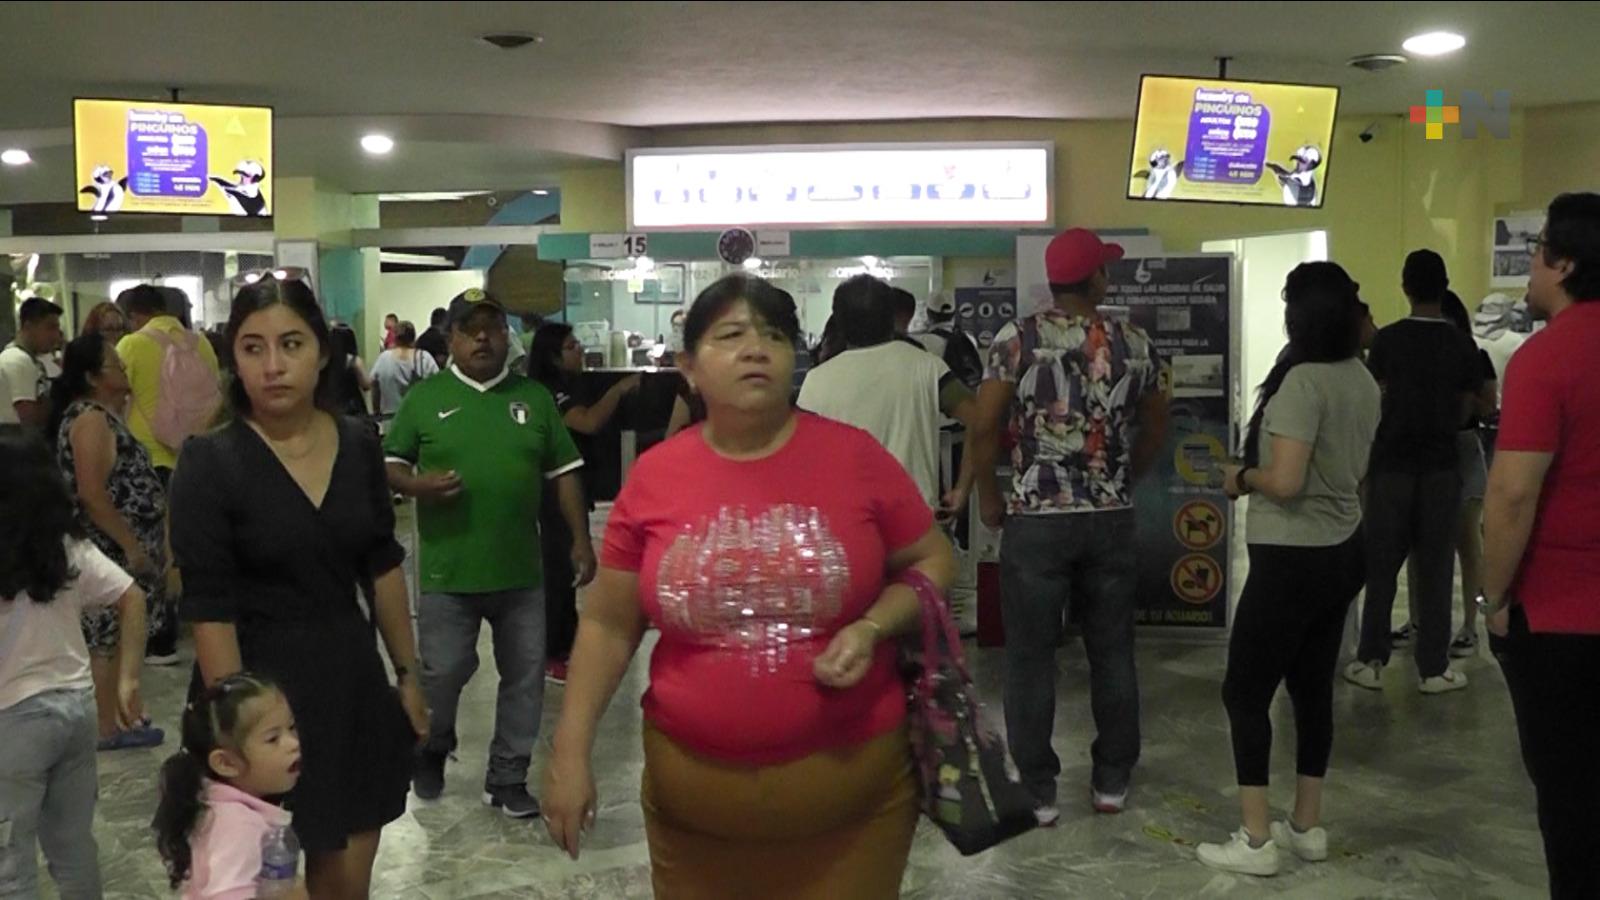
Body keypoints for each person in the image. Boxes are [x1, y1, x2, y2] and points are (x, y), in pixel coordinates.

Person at [541, 273, 956, 897]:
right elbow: (607, 624)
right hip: (694, 816)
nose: (756, 349)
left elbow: (933, 560)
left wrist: (873, 627)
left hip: (854, 811)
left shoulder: (854, 457)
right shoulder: (657, 476)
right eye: (731, 335)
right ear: (688, 367)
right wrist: (571, 753)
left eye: (774, 336)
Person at [169, 277, 426, 898]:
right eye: (253, 348)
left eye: (291, 344)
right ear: (234, 359)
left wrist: (408, 675)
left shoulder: (358, 444)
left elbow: (382, 565)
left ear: (322, 352)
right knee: (267, 883)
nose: (273, 366)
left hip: (350, 680)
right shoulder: (210, 461)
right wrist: (241, 731)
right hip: (258, 686)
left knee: (346, 882)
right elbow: (209, 607)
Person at [970, 228, 1169, 820]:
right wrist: (1125, 480)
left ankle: (1038, 789)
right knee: (1112, 650)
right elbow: (1157, 425)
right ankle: (1111, 779)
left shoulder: (1016, 337)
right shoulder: (1136, 341)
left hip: (1037, 520)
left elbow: (983, 423)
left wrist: (988, 496)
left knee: (1030, 656)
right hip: (1110, 519)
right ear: (1097, 280)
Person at [1196, 263, 1379, 876]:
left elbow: (1286, 481)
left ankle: (1255, 841)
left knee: (1244, 692)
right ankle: (1306, 825)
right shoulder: (1360, 376)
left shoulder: (1303, 383)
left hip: (1293, 558)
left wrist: (1241, 477)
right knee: (1311, 687)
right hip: (1343, 548)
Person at [385, 288, 594, 819]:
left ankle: (507, 777)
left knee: (525, 676)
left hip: (521, 571)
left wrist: (581, 539)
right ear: (450, 338)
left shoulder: (534, 398)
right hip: (447, 572)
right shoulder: (426, 398)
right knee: (444, 672)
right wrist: (419, 486)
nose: (482, 338)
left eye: (493, 329)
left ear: (507, 337)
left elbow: (565, 472)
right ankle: (434, 744)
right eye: (469, 329)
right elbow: (391, 464)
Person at [1481, 192, 1600, 900]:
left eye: (1539, 248)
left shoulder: (1547, 358)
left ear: (1566, 264)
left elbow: (1511, 495)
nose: (1530, 262)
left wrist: (1492, 596)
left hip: (1563, 619)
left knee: (1573, 802)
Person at [0, 435, 147, 898]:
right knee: (74, 847)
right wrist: (128, 678)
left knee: (10, 863)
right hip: (77, 710)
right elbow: (133, 596)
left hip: (12, 721)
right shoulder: (67, 547)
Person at [1345, 250, 1483, 695]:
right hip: (1442, 468)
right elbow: (1471, 405)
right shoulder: (1461, 344)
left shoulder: (1387, 341)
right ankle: (1433, 669)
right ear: (1445, 288)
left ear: (1405, 287)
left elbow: (1373, 399)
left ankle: (1370, 660)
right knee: (1437, 569)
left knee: (1382, 566)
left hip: (1391, 468)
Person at [50, 333, 172, 746]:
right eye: (115, 364)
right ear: (93, 376)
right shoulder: (90, 420)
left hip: (120, 544)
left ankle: (121, 716)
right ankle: (106, 724)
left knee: (118, 634)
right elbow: (92, 493)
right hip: (109, 548)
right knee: (105, 635)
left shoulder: (106, 415)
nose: (123, 369)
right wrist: (131, 546)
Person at [798, 273, 979, 514]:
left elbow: (804, 459)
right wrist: (963, 488)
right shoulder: (926, 367)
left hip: (846, 520)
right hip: (916, 520)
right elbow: (981, 421)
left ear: (838, 321)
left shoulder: (816, 380)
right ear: (891, 317)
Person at [527, 321, 641, 684]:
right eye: (571, 346)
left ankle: (567, 641)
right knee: (557, 570)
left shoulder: (570, 386)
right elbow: (587, 422)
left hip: (575, 487)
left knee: (565, 569)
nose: (579, 351)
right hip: (553, 491)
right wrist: (619, 390)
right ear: (553, 356)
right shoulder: (549, 392)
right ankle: (553, 650)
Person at [1397, 292, 1498, 657]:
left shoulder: (1475, 357)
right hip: (1425, 448)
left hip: (1463, 448)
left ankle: (1471, 625)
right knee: (1417, 543)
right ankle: (1416, 621)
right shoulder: (1418, 357)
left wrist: (1463, 397)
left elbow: (1488, 405)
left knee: (1467, 543)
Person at [153, 673, 308, 900]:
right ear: (225, 763)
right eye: (273, 739)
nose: (294, 743)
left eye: (291, 727)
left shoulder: (214, 803)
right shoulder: (239, 827)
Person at [117, 283, 223, 478]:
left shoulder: (131, 344)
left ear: (133, 317)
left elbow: (113, 395)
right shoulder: (201, 342)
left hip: (150, 457)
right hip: (197, 455)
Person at [0, 296, 64, 433]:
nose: (55, 336)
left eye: (57, 329)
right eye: (50, 328)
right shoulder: (17, 361)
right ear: (28, 327)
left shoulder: (31, 361)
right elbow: (29, 417)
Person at [911, 290, 985, 391]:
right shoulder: (969, 339)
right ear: (954, 314)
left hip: (938, 397)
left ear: (928, 313)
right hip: (965, 397)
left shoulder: (923, 342)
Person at [369, 320, 441, 419]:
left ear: (395, 338)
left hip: (390, 419)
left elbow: (374, 385)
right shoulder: (424, 357)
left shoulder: (384, 358)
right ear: (414, 338)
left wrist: (376, 411)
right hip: (418, 417)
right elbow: (437, 385)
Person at [327, 323, 372, 419]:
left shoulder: (326, 361)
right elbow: (366, 385)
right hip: (353, 407)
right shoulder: (354, 361)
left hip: (332, 405)